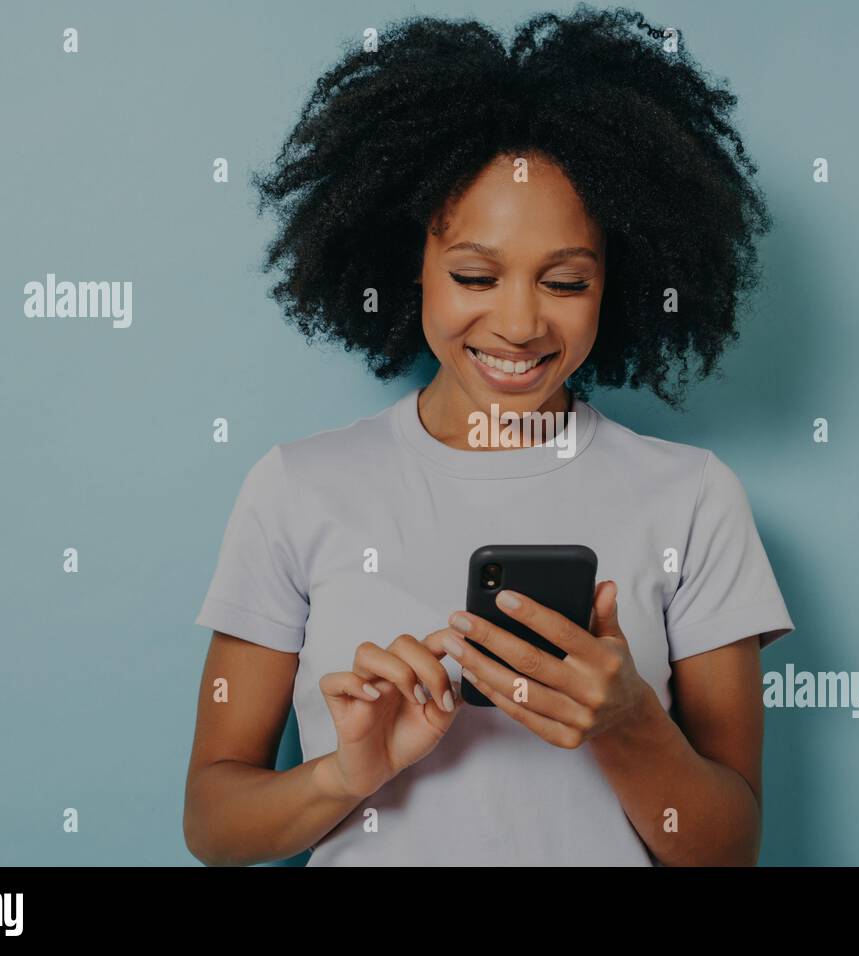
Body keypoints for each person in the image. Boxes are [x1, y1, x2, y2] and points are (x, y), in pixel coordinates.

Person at [183, 5, 794, 867]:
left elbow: (729, 851)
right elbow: (213, 824)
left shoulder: (692, 498)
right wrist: (345, 774)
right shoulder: (297, 488)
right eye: (475, 274)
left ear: (617, 284)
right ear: (411, 268)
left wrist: (626, 727)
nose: (517, 323)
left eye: (566, 281)